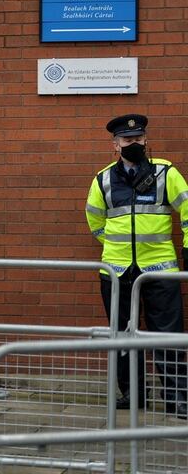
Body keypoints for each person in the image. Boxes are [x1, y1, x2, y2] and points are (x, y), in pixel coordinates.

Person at [85, 114, 188, 418]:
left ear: (145, 140)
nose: (134, 144)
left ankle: (177, 398)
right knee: (121, 337)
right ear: (115, 144)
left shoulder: (165, 172)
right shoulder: (103, 178)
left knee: (166, 337)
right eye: (127, 140)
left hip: (159, 269)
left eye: (138, 139)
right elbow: (95, 221)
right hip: (117, 272)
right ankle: (132, 395)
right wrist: (115, 246)